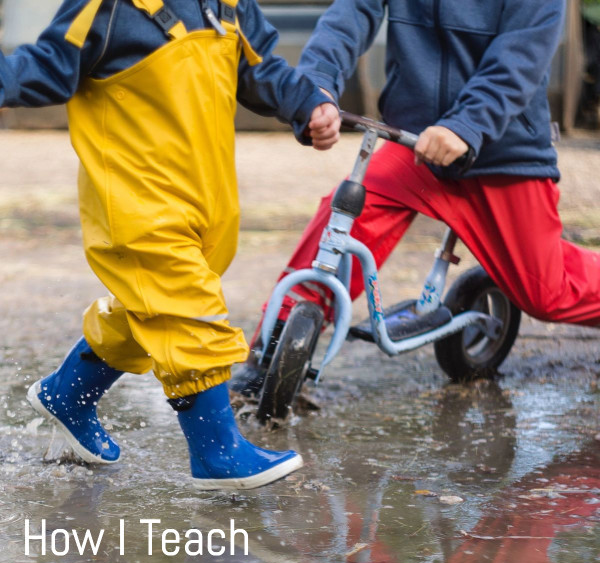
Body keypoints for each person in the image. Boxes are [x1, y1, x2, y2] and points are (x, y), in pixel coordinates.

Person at [0, 0, 340, 489]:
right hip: (136, 201)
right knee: (188, 312)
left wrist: (309, 104)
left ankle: (68, 394)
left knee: (152, 309)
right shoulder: (108, 7)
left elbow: (263, 67)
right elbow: (50, 62)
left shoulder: (228, 6)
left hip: (206, 200)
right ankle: (217, 453)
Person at [232, 0, 600, 398]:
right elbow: (347, 18)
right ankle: (272, 352)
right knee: (343, 222)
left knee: (548, 294)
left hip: (501, 151)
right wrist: (317, 89)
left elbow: (520, 59)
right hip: (414, 143)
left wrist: (465, 126)